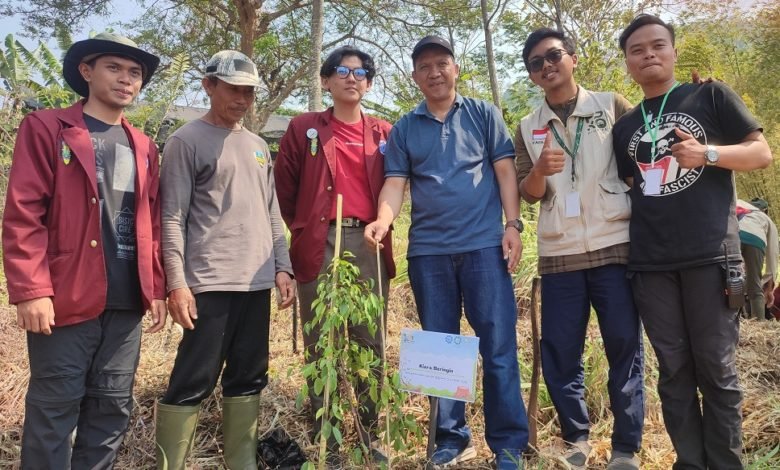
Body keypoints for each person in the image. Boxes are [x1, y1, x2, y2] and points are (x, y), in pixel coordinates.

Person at [613, 14, 772, 469]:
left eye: (657, 45)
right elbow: (631, 185)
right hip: (650, 264)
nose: (649, 54)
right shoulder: (626, 126)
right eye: (637, 50)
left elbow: (761, 153)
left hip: (710, 256)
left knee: (717, 371)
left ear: (674, 52)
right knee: (674, 372)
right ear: (627, 63)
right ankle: (690, 462)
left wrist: (709, 154)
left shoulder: (710, 95)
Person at [364, 35, 529, 469]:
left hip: (483, 249)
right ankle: (450, 438)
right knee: (441, 350)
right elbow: (395, 183)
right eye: (425, 67)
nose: (435, 72)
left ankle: (508, 443)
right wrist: (384, 220)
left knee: (497, 346)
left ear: (456, 68)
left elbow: (506, 172)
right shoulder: (404, 128)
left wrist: (512, 225)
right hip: (429, 253)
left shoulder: (482, 114)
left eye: (442, 63)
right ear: (415, 76)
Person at [2, 32, 166, 468]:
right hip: (66, 296)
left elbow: (150, 218)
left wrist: (158, 288)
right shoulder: (47, 128)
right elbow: (24, 213)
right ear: (86, 71)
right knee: (54, 408)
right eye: (114, 68)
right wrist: (31, 289)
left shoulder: (144, 145)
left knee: (111, 409)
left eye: (135, 73)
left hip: (126, 300)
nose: (126, 80)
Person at [154, 50, 295, 470]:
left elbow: (271, 210)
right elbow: (172, 216)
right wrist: (176, 283)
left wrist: (282, 266)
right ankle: (171, 463)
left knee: (249, 375)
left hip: (255, 280)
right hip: (209, 281)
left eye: (249, 92)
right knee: (194, 377)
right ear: (208, 86)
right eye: (233, 89)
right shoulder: (185, 141)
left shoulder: (256, 146)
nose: (242, 99)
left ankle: (241, 462)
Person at [515, 28, 644, 470]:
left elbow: (639, 165)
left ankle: (626, 447)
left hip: (614, 246)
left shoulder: (612, 106)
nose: (546, 66)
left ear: (573, 58)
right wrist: (539, 171)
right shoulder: (526, 125)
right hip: (560, 254)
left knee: (624, 346)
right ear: (532, 75)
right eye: (536, 62)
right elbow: (527, 193)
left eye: (553, 56)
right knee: (559, 349)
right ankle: (577, 438)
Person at [274, 46, 394, 461]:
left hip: (368, 241)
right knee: (320, 339)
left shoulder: (383, 131)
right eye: (341, 71)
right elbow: (283, 192)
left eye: (360, 73)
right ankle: (326, 434)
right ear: (326, 81)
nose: (351, 78)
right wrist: (306, 229)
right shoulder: (303, 127)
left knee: (369, 338)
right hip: (318, 241)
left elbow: (396, 186)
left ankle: (368, 431)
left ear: (370, 83)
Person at [736, 198, 778, 320]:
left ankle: (736, 321)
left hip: (732, 235)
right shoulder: (766, 218)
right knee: (754, 286)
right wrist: (769, 285)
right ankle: (759, 324)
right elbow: (773, 253)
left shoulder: (738, 204)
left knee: (731, 281)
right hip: (755, 239)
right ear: (765, 210)